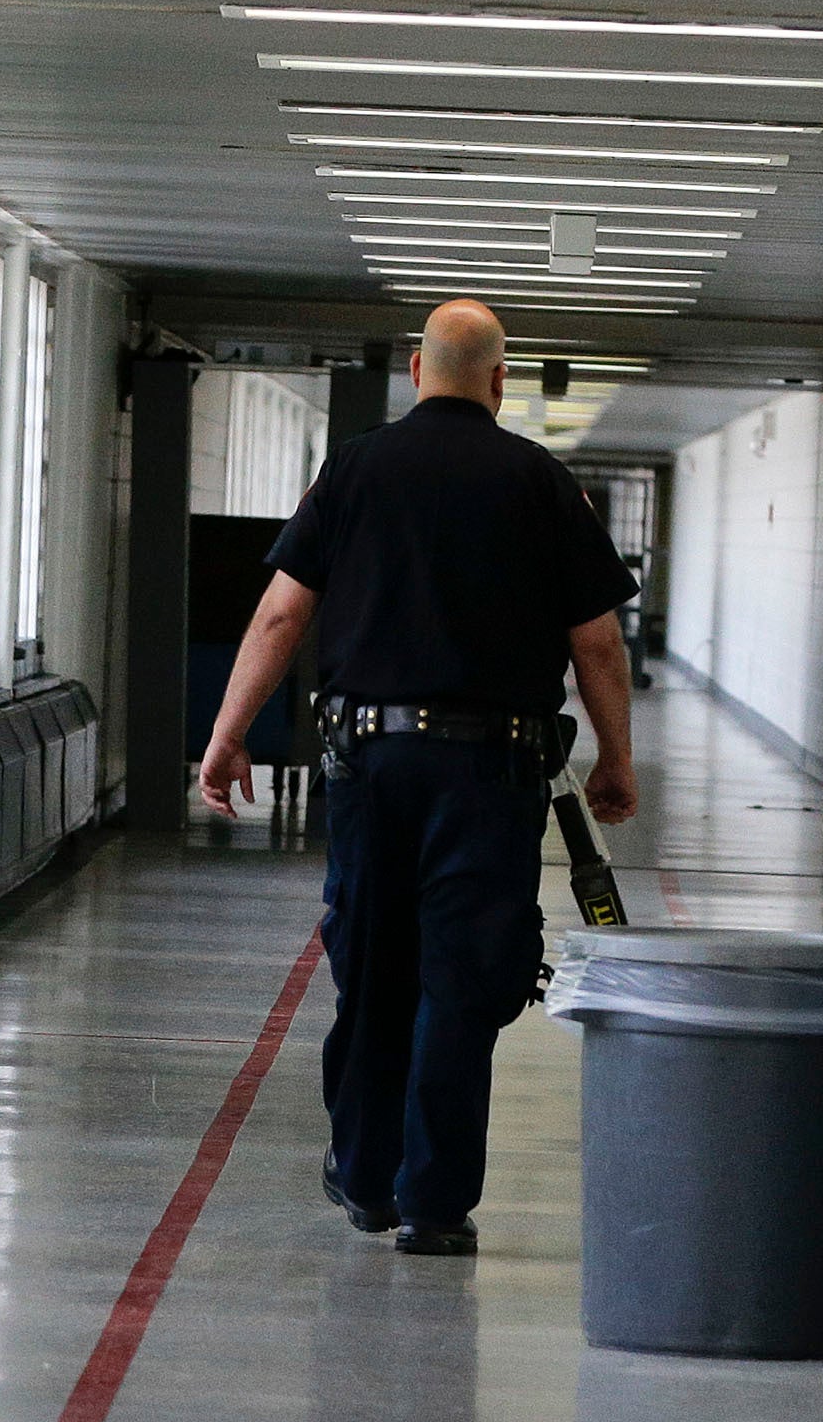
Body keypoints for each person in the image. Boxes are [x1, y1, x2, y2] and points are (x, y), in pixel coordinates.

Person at [197, 300, 640, 1257]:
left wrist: (229, 733)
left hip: (372, 764)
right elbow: (597, 640)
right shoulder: (541, 481)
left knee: (373, 962)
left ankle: (364, 1179)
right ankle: (436, 1202)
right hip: (493, 774)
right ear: (500, 380)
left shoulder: (354, 468)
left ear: (414, 370)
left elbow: (281, 616)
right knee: (464, 976)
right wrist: (616, 756)